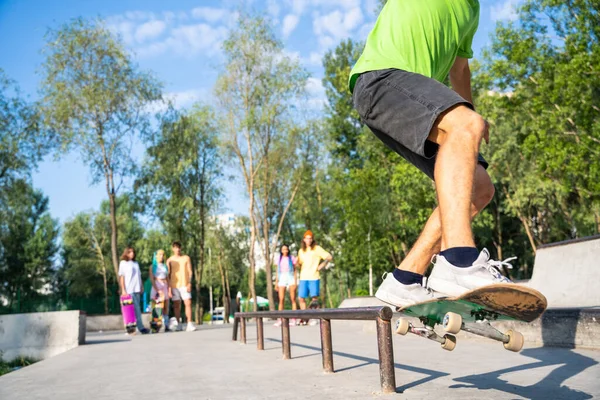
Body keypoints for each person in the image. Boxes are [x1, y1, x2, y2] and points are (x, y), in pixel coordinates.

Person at [349, 0, 513, 307]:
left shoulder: (471, 10)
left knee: (479, 187)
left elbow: (460, 69)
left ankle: (406, 278)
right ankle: (459, 260)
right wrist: (466, 124)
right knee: (466, 125)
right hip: (381, 81)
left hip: (416, 98)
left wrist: (468, 123)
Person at [297, 230, 332, 325]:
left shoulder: (317, 248)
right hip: (303, 277)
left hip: (314, 276)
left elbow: (329, 257)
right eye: (307, 238)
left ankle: (313, 317)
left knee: (314, 299)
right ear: (304, 239)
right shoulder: (301, 251)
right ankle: (304, 317)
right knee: (301, 298)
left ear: (312, 240)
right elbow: (300, 263)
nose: (308, 240)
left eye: (310, 238)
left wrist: (322, 265)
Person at [118, 247, 149, 335]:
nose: (132, 254)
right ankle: (140, 328)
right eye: (130, 252)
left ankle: (133, 329)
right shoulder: (123, 263)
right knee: (133, 309)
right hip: (129, 290)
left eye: (133, 252)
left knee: (136, 309)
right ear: (126, 253)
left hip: (137, 289)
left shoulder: (136, 263)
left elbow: (139, 276)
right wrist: (123, 290)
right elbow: (122, 277)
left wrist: (141, 286)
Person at [167, 241, 196, 332]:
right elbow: (168, 274)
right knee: (176, 305)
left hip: (185, 284)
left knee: (188, 303)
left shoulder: (186, 258)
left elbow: (190, 271)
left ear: (181, 248)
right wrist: (169, 288)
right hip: (174, 285)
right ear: (173, 249)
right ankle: (179, 324)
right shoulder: (170, 260)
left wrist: (190, 283)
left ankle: (189, 323)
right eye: (175, 247)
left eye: (179, 247)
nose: (177, 249)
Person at [273, 244, 298, 327]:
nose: (285, 251)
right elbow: (277, 271)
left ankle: (294, 319)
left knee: (293, 298)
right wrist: (276, 282)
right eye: (283, 249)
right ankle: (280, 318)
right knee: (281, 299)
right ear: (281, 250)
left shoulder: (292, 258)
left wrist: (295, 281)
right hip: (282, 277)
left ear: (288, 250)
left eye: (286, 249)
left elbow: (295, 270)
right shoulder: (279, 259)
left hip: (290, 276)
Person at [149, 249, 171, 332]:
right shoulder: (152, 266)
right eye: (160, 254)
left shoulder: (165, 266)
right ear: (156, 256)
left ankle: (166, 325)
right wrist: (157, 289)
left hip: (164, 285)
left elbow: (167, 278)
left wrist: (169, 289)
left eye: (163, 254)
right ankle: (155, 326)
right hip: (157, 286)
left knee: (165, 306)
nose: (162, 256)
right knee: (157, 307)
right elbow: (152, 279)